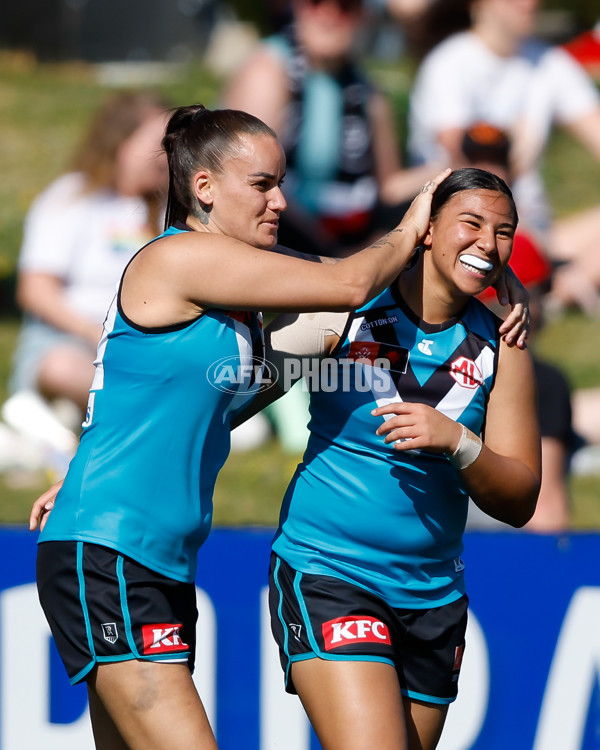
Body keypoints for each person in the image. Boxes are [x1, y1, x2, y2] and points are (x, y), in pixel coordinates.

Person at [27, 103, 465, 750]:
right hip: (112, 551)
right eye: (262, 185)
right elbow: (348, 284)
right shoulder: (177, 261)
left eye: (281, 183)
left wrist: (492, 292)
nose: (281, 201)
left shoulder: (228, 310)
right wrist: (412, 226)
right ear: (203, 188)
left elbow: (192, 410)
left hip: (152, 560)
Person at [237, 167, 540, 749]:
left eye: (504, 233)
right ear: (426, 230)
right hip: (330, 572)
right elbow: (218, 406)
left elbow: (521, 498)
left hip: (432, 598)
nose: (487, 244)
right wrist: (88, 470)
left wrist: (457, 441)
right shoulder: (344, 306)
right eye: (470, 224)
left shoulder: (504, 342)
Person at [2, 91, 170, 464]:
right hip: (71, 341)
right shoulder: (72, 198)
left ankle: (63, 429)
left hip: (144, 344)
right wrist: (95, 333)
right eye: (158, 146)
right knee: (62, 367)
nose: (168, 159)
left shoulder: (166, 213)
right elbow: (35, 289)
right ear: (121, 143)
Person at [407, 0, 600, 313]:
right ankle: (544, 292)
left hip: (536, 229)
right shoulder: (449, 64)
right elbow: (466, 171)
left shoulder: (549, 62)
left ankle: (549, 294)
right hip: (471, 229)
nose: (530, 4)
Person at [223, 0, 443, 259]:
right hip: (282, 230)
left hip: (349, 232)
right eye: (316, 3)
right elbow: (246, 179)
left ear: (362, 16)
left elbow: (389, 187)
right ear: (297, 7)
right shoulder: (270, 69)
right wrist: (330, 253)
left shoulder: (366, 91)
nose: (330, 15)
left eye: (345, 7)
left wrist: (449, 170)